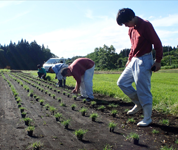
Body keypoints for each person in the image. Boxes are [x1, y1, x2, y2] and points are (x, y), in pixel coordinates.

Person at [116, 8, 163, 126]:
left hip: (145, 59)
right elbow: (132, 46)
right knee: (122, 82)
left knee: (143, 89)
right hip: (134, 59)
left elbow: (157, 43)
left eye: (126, 23)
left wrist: (158, 61)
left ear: (132, 17)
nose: (125, 26)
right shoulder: (131, 29)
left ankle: (147, 118)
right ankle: (138, 103)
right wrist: (129, 59)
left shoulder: (146, 25)